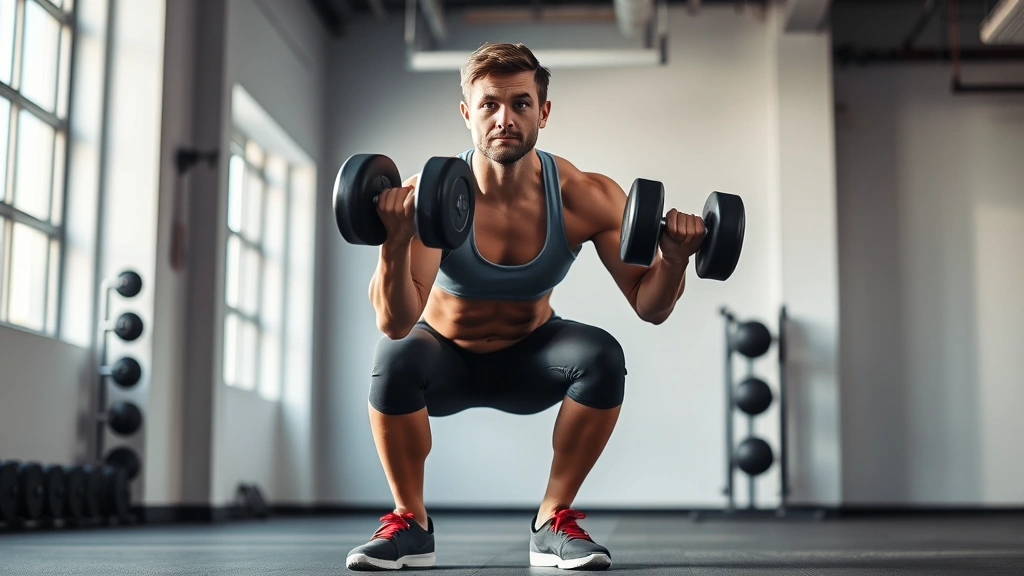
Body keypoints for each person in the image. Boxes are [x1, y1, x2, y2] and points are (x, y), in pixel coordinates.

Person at [345, 42, 706, 572]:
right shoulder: (430, 196)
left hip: (532, 360)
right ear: (468, 114)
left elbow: (650, 306)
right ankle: (410, 523)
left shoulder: (586, 196)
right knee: (393, 356)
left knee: (602, 354)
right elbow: (396, 321)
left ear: (544, 111)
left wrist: (672, 259)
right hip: (444, 358)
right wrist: (394, 240)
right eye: (489, 105)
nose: (504, 119)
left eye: (520, 103)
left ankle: (553, 520)